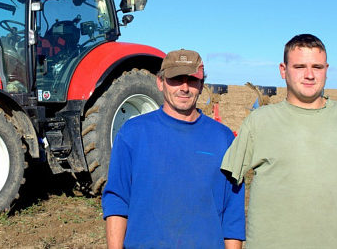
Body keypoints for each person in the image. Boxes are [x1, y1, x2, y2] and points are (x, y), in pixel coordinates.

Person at [221, 34, 337, 248]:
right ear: (283, 70)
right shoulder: (259, 122)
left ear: (326, 69)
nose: (309, 75)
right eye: (299, 66)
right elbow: (229, 188)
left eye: (317, 67)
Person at [102, 49, 245, 248]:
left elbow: (233, 213)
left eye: (192, 80)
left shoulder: (224, 139)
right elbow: (117, 199)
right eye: (176, 79)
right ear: (160, 82)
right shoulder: (133, 133)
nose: (184, 87)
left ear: (202, 85)